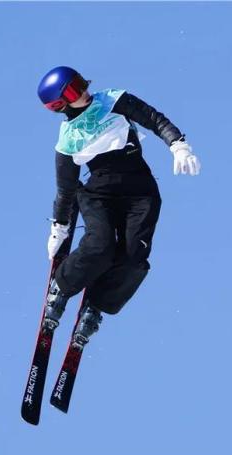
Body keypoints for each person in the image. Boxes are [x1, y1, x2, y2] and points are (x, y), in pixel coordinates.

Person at [36, 66, 201, 347]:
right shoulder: (68, 140)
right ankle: (62, 289)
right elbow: (65, 189)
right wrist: (60, 227)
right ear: (60, 105)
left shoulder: (112, 100)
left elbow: (152, 118)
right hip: (99, 193)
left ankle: (96, 307)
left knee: (134, 258)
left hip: (140, 191)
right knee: (100, 246)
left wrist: (178, 144)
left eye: (81, 83)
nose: (85, 92)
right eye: (75, 91)